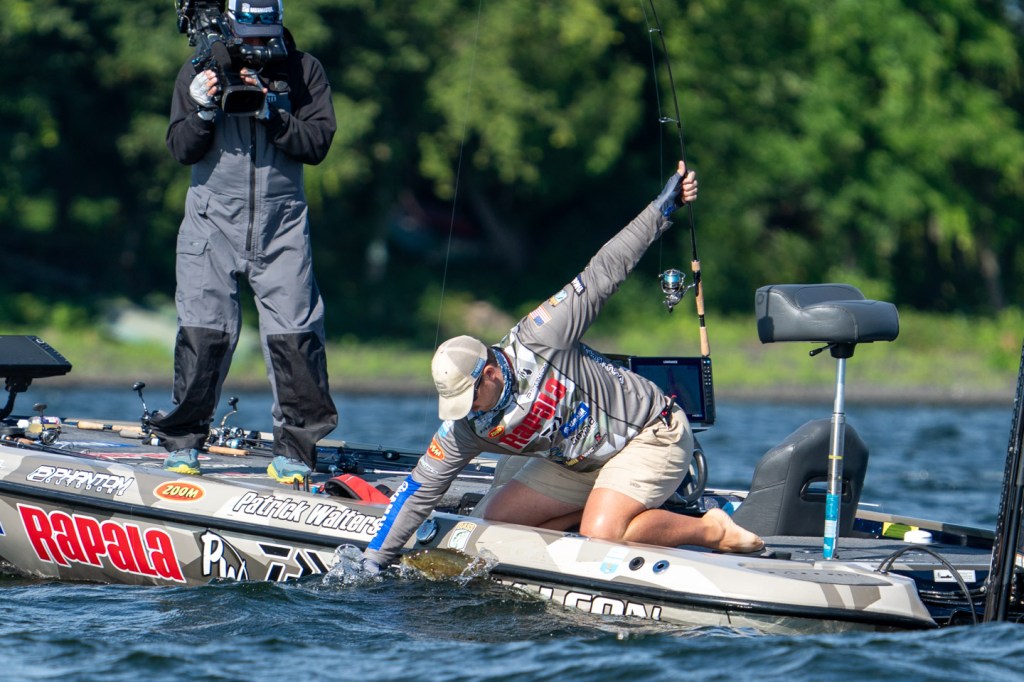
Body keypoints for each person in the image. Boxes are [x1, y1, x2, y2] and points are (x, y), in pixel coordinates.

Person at [362, 161, 763, 571]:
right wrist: (374, 560)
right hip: (580, 465)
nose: (467, 410)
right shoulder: (465, 425)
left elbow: (606, 269)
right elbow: (418, 489)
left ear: (491, 373)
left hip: (649, 434)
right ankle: (601, 510)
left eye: (470, 397)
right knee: (492, 524)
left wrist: (663, 206)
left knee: (601, 534)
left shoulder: (542, 336)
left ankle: (713, 529)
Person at [150, 0, 338, 484]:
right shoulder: (198, 68)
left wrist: (274, 112)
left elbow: (317, 144)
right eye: (249, 37)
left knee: (297, 335)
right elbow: (180, 148)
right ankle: (183, 445)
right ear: (232, 26)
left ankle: (295, 453)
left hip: (282, 221)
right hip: (212, 220)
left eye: (266, 36)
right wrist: (202, 110)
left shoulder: (304, 71)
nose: (258, 46)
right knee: (204, 332)